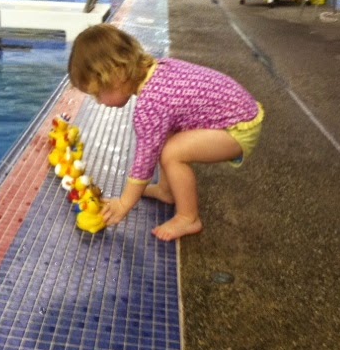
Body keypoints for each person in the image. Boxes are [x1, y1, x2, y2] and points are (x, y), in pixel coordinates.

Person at [68, 24, 265, 241]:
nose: (99, 102)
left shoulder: (151, 104)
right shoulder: (159, 68)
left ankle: (188, 217)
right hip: (240, 112)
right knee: (165, 138)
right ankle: (166, 190)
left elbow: (144, 162)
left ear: (117, 75)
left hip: (236, 128)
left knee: (172, 153)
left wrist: (124, 204)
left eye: (98, 93)